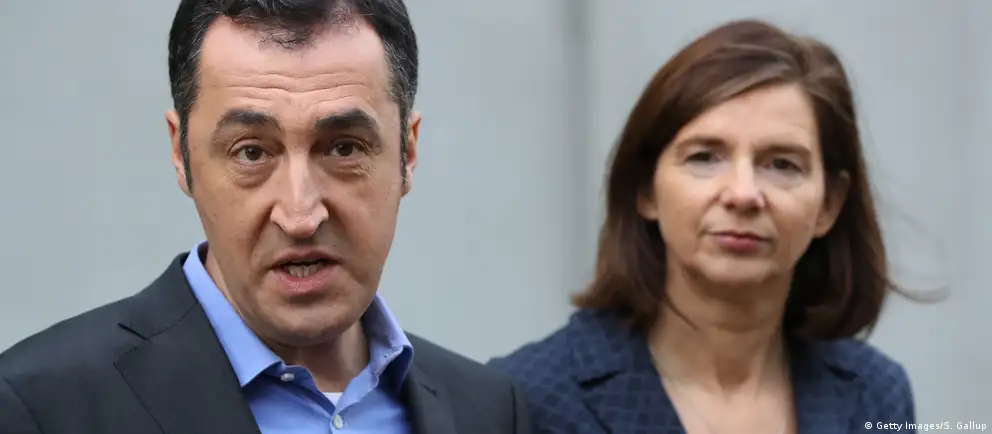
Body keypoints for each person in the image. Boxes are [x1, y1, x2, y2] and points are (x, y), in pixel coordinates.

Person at [0, 1, 530, 433]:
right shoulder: (38, 406)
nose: (300, 214)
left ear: (407, 154)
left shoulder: (490, 411)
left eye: (344, 148)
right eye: (251, 152)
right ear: (182, 155)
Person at [490, 19, 918, 434]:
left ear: (829, 204)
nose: (743, 194)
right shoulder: (527, 400)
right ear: (646, 189)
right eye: (704, 157)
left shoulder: (877, 396)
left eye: (782, 164)